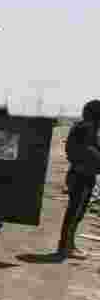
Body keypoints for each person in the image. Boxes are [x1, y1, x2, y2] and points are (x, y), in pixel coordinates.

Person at [58, 99, 100, 260]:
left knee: (77, 213)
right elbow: (87, 151)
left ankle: (68, 246)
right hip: (81, 175)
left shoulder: (85, 126)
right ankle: (65, 247)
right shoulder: (87, 128)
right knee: (74, 213)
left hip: (81, 174)